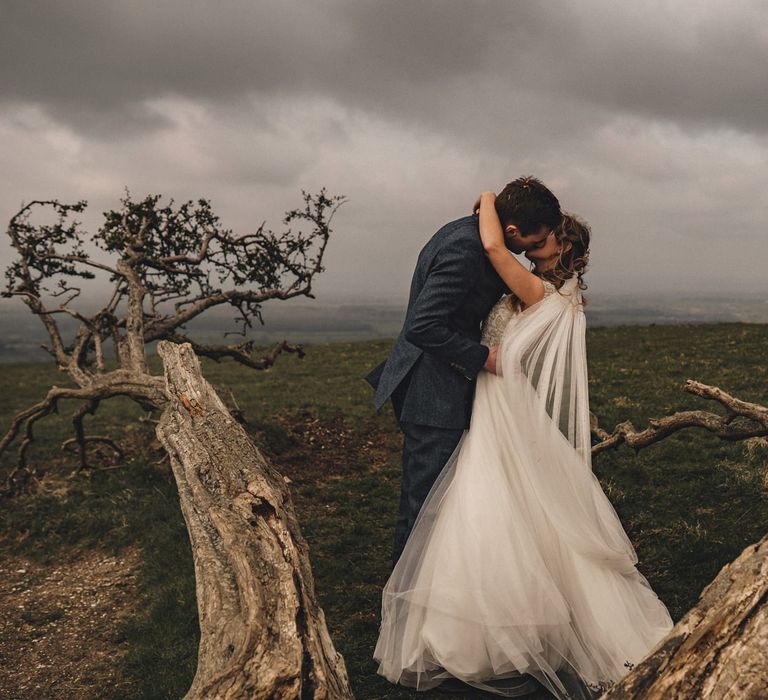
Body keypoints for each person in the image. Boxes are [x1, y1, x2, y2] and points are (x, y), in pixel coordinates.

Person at [372, 192, 674, 699]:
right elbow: (439, 312)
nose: (530, 251)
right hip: (476, 397)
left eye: (540, 246)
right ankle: (412, 616)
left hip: (492, 400)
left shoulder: (537, 287)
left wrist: (488, 199)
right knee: (448, 508)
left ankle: (435, 622)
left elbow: (493, 245)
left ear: (559, 246)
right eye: (532, 241)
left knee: (461, 509)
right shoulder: (544, 285)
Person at [366, 177, 563, 568]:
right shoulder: (465, 249)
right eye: (532, 241)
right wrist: (481, 358)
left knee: (440, 501)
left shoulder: (471, 232)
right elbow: (423, 325)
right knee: (424, 507)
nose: (527, 254)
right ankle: (404, 607)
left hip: (441, 385)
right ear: (512, 230)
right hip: (431, 391)